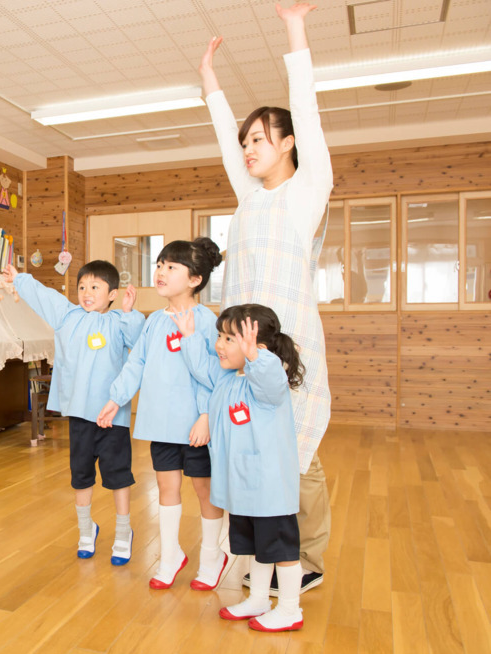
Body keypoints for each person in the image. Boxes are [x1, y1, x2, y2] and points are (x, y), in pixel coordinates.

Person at [199, 1, 332, 594]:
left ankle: (306, 561)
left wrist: (295, 29)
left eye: (259, 139)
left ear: (287, 144)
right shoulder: (247, 197)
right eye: (245, 140)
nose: (248, 149)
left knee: (297, 452)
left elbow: (307, 107)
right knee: (249, 441)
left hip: (289, 343)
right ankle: (262, 554)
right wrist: (209, 82)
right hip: (242, 347)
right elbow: (226, 142)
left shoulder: (307, 192)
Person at [97, 238, 227, 591]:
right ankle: (170, 556)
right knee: (166, 488)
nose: (161, 272)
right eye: (159, 264)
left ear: (195, 279)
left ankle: (213, 556)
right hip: (161, 422)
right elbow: (136, 362)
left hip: (196, 426)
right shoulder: (154, 321)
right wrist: (115, 398)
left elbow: (213, 374)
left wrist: (205, 415)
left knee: (205, 490)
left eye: (171, 267)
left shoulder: (206, 320)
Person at [173, 304, 305, 632]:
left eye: (229, 338)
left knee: (281, 549)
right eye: (220, 336)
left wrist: (257, 358)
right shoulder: (229, 379)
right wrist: (190, 339)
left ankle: (290, 609)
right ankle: (259, 599)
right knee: (255, 548)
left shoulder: (266, 383)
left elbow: (271, 380)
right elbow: (204, 371)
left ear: (256, 346)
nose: (219, 344)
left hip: (269, 488)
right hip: (243, 488)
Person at [5, 261, 143, 565]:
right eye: (82, 287)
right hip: (80, 416)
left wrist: (131, 311)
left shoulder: (119, 321)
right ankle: (85, 530)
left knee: (118, 477)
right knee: (81, 476)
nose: (86, 293)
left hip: (112, 417)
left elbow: (138, 341)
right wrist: (20, 279)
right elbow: (44, 296)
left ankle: (123, 532)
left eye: (95, 287)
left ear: (112, 294)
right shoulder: (67, 316)